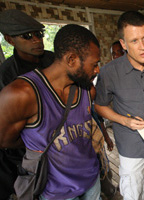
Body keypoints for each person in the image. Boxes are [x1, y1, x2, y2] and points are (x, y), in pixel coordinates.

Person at [0, 24, 101, 199]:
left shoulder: (88, 91)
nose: (97, 70)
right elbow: (5, 140)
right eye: (94, 64)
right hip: (55, 191)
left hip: (91, 181)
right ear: (71, 59)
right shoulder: (21, 94)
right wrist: (37, 141)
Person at [95, 11, 144, 200]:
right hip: (130, 145)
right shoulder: (109, 72)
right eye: (135, 41)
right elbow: (99, 106)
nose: (143, 47)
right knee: (132, 193)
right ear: (123, 44)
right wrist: (125, 121)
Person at [0, 9, 55, 199]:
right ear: (10, 39)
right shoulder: (6, 75)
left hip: (63, 143)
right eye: (28, 36)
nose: (37, 40)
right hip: (28, 154)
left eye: (39, 34)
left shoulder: (53, 60)